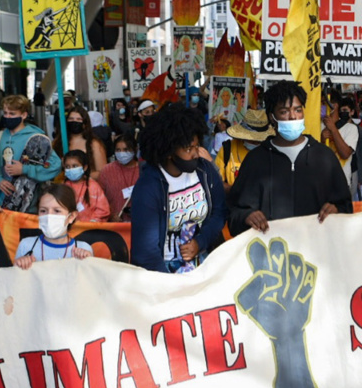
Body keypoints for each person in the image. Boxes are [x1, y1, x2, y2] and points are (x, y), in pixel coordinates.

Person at [228, 80, 353, 235]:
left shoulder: (325, 158)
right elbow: (233, 214)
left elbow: (346, 208)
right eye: (284, 111)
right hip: (271, 254)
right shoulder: (255, 161)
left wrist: (336, 211)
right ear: (272, 117)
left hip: (314, 254)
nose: (293, 116)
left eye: (298, 110)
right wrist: (246, 216)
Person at [131, 103, 226, 273]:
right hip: (164, 273)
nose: (196, 154)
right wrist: (168, 287)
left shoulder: (205, 171)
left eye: (197, 146)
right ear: (168, 151)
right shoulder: (148, 187)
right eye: (189, 149)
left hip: (205, 267)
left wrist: (201, 242)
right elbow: (145, 252)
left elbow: (219, 212)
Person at [0, 95, 61, 211]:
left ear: (24, 115)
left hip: (28, 207)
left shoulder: (36, 138)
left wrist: (25, 169)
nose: (7, 117)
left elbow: (55, 166)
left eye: (12, 114)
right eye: (5, 113)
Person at [15, 185, 94, 269]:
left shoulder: (84, 248)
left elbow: (89, 279)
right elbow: (16, 280)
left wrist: (87, 261)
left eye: (57, 211)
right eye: (43, 211)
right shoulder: (26, 245)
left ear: (71, 216)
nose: (49, 216)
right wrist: (19, 266)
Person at [215, 110, 273, 194]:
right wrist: (234, 191)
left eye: (258, 140)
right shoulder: (227, 149)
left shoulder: (271, 151)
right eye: (251, 139)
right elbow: (217, 180)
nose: (255, 142)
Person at [53, 106, 107, 179]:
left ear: (85, 123)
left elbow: (102, 172)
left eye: (79, 119)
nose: (75, 122)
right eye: (71, 119)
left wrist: (81, 178)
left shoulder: (94, 144)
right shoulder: (58, 143)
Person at [321, 89, 359, 190]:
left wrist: (333, 129)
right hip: (321, 182)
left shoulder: (351, 128)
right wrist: (321, 140)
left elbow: (345, 153)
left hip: (341, 183)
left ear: (335, 105)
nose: (321, 107)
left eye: (324, 103)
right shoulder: (316, 126)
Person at [98, 134, 140, 221]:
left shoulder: (143, 170)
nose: (122, 153)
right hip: (115, 225)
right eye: (118, 150)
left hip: (140, 222)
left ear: (135, 150)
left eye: (126, 149)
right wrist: (111, 215)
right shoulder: (106, 171)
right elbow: (99, 199)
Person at [62, 150, 110, 222]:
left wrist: (92, 222)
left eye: (75, 166)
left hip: (89, 229)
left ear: (84, 167)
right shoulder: (64, 186)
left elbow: (103, 210)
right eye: (67, 167)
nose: (71, 169)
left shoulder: (93, 186)